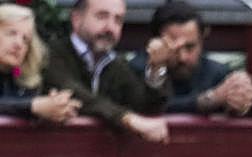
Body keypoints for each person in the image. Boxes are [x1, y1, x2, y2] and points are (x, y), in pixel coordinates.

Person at [43, 0, 171, 142]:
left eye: (118, 20)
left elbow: (146, 110)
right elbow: (75, 94)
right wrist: (126, 118)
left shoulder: (116, 64)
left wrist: (156, 68)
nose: (110, 27)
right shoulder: (51, 55)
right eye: (102, 16)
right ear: (76, 19)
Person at [128, 0, 252, 116]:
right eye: (173, 48)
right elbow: (147, 106)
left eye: (190, 47)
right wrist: (210, 99)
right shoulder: (135, 71)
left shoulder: (218, 74)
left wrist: (240, 99)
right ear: (155, 43)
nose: (182, 57)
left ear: (203, 38)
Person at [0, 3, 80, 122]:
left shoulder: (20, 78)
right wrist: (34, 106)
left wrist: (54, 106)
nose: (19, 44)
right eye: (11, 33)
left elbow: (18, 105)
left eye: (25, 39)